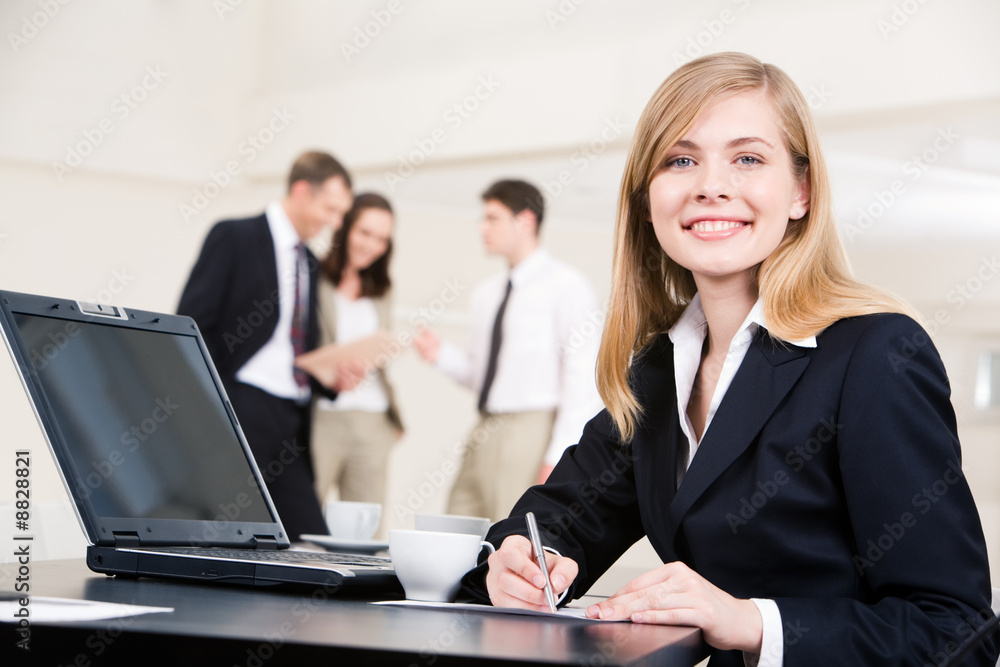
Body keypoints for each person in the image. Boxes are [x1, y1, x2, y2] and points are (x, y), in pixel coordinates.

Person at [465, 53, 998, 666]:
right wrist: (523, 558)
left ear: (801, 191)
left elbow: (956, 634)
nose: (711, 185)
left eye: (747, 158)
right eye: (681, 159)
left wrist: (751, 622)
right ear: (646, 200)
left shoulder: (876, 354)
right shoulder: (659, 368)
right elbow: (564, 514)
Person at [177, 150, 359, 541]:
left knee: (311, 542)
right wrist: (208, 411)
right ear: (300, 191)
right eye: (330, 208)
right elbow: (191, 325)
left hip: (291, 421)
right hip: (241, 408)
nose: (335, 222)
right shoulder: (235, 236)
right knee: (234, 540)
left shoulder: (308, 261)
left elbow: (297, 347)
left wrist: (330, 378)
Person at [414, 179, 603, 522]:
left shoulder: (566, 286)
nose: (482, 228)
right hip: (485, 425)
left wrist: (560, 456)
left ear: (525, 221)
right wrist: (439, 355)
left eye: (492, 218)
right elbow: (481, 375)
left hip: (530, 430)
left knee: (510, 535)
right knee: (456, 529)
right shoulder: (487, 294)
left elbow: (582, 378)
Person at [310, 192, 404, 519]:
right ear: (345, 228)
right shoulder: (314, 277)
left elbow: (380, 353)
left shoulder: (382, 289)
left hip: (373, 419)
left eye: (382, 238)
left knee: (363, 529)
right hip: (321, 415)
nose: (372, 245)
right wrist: (335, 366)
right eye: (365, 233)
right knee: (302, 524)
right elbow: (303, 346)